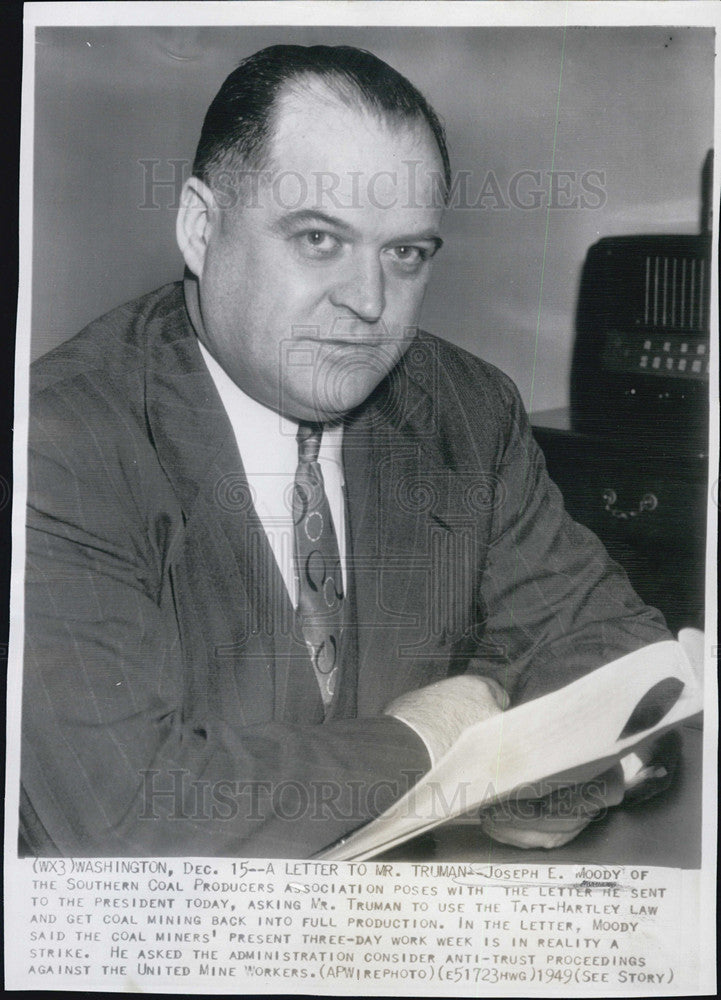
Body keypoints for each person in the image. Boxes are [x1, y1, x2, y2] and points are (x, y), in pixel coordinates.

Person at [21, 44, 672, 858]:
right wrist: (427, 742)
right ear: (199, 225)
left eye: (403, 254)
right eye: (320, 239)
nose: (369, 303)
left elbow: (621, 652)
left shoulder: (464, 411)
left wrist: (559, 773)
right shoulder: (59, 442)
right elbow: (118, 818)